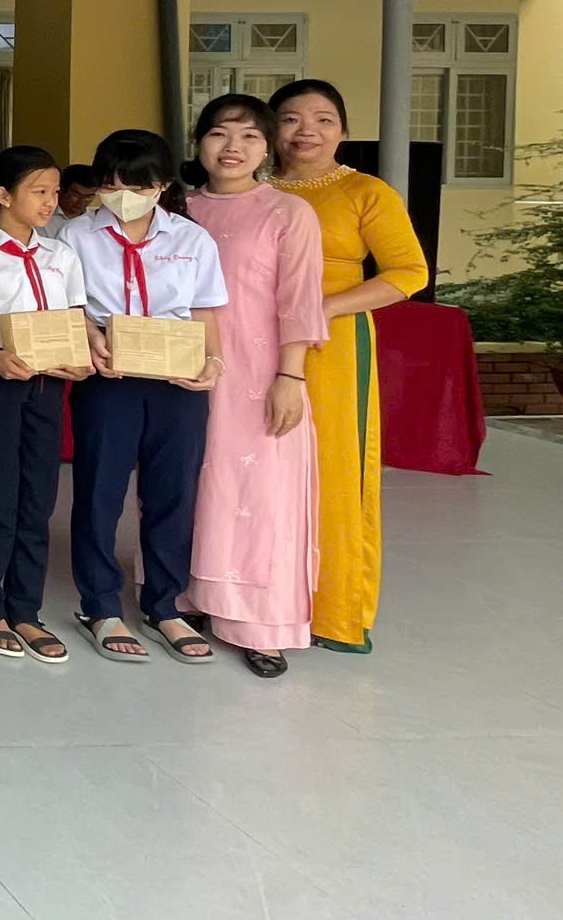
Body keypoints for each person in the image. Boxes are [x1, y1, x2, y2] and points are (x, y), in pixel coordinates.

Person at [269, 78, 426, 654]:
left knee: (331, 470)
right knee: (257, 466)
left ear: (343, 131)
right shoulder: (250, 189)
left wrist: (325, 307)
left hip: (331, 345)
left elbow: (408, 272)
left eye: (323, 120)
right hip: (252, 340)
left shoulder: (365, 192)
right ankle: (254, 599)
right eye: (291, 118)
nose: (306, 131)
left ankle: (332, 610)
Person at [69, 129, 227, 665]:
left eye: (137, 186)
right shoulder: (75, 236)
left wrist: (214, 363)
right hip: (108, 376)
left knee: (173, 493)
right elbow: (68, 305)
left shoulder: (192, 240)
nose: (123, 196)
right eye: (111, 185)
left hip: (177, 381)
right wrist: (89, 335)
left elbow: (204, 311)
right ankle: (99, 604)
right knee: (99, 491)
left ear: (162, 186)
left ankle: (164, 605)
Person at [187, 94, 326, 679]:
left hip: (260, 374)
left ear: (267, 149)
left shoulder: (288, 213)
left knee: (261, 493)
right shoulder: (179, 210)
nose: (233, 148)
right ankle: (189, 597)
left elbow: (299, 301)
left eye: (249, 136)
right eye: (220, 134)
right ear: (199, 142)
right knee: (195, 482)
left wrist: (290, 376)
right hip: (188, 371)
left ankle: (260, 623)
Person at [0, 146, 89, 664]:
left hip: (47, 386)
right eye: (39, 191)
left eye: (55, 191)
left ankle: (26, 608)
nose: (51, 202)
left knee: (39, 499)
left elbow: (74, 320)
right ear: (4, 195)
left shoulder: (61, 256)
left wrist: (81, 358)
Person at [42, 164, 99, 244]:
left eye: (88, 197)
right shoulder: (43, 217)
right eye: (76, 195)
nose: (81, 202)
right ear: (61, 189)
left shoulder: (96, 221)